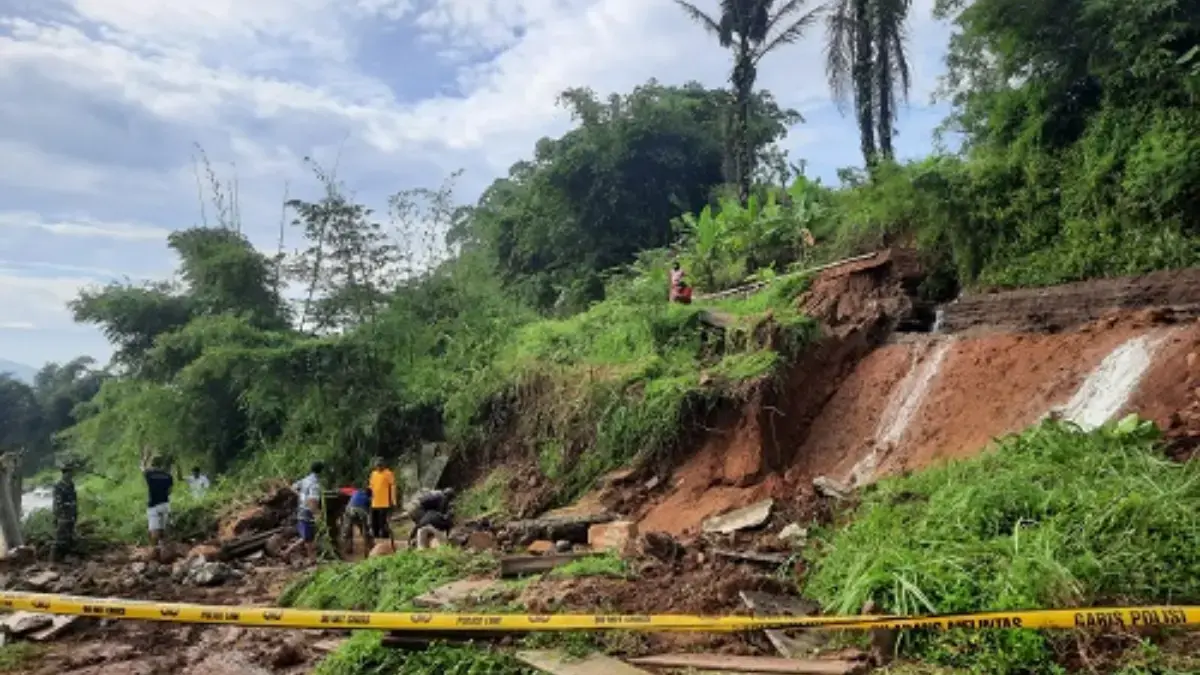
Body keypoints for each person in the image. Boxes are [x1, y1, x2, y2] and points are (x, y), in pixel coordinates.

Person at [141, 452, 174, 550]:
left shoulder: (149, 474)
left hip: (153, 505)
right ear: (162, 464)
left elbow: (142, 468)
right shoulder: (168, 476)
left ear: (152, 464)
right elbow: (169, 492)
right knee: (163, 530)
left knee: (154, 530)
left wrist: (144, 459)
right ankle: (165, 551)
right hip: (165, 504)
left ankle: (154, 552)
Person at [291, 461, 324, 558]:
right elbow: (313, 501)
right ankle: (311, 560)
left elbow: (293, 487)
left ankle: (311, 558)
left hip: (301, 510)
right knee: (309, 539)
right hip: (308, 512)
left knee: (308, 537)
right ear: (321, 472)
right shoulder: (315, 484)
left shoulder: (305, 480)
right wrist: (317, 514)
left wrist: (301, 497)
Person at [51, 462, 77, 562]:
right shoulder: (58, 486)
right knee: (59, 538)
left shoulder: (71, 485)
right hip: (62, 515)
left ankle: (67, 557)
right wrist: (60, 516)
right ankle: (53, 560)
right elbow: (57, 503)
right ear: (64, 473)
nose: (70, 475)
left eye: (71, 473)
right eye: (69, 473)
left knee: (70, 536)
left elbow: (74, 500)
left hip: (71, 514)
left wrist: (74, 513)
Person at [367, 457, 397, 540]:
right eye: (377, 466)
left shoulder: (388, 473)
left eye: (380, 465)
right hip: (374, 501)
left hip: (384, 502)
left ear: (383, 465)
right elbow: (371, 485)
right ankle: (376, 536)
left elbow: (393, 487)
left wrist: (393, 501)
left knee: (382, 521)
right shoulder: (373, 474)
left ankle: (385, 536)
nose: (379, 467)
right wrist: (369, 494)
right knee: (374, 521)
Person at [341, 483, 373, 554]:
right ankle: (369, 547)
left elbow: (343, 492)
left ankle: (348, 548)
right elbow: (368, 513)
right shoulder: (368, 499)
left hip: (349, 510)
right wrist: (368, 525)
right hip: (361, 512)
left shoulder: (356, 492)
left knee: (348, 529)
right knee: (365, 529)